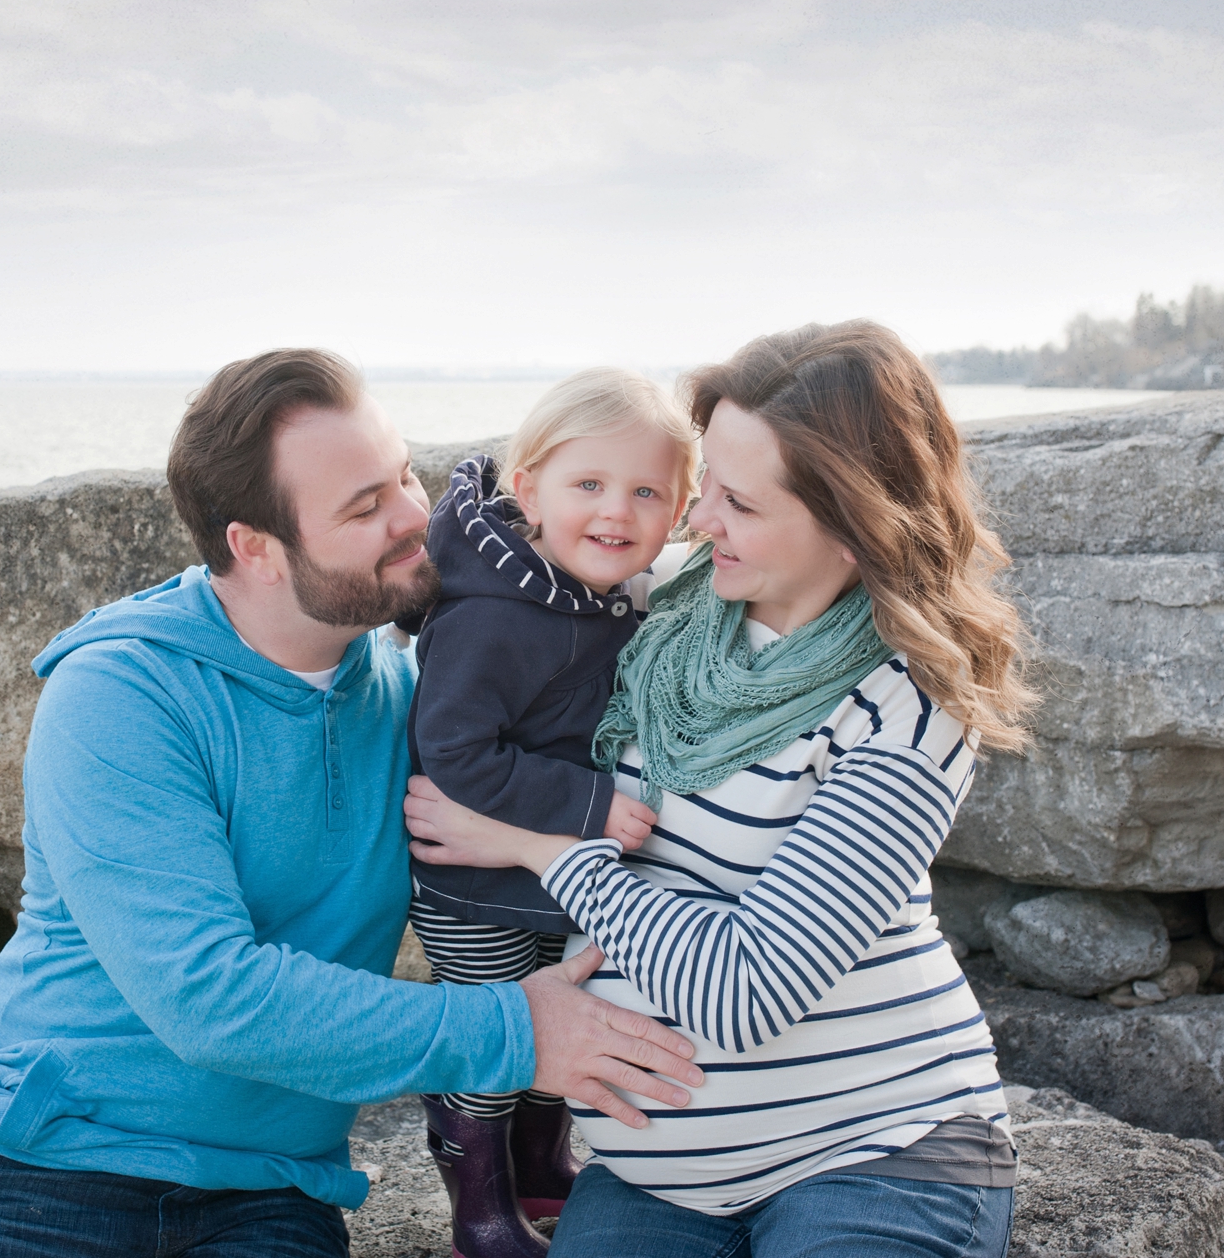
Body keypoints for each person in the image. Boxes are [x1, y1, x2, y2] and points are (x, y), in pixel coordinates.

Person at [0, 349, 702, 1258]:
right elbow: (209, 997)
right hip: (42, 1172)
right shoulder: (121, 694)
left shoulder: (412, 692)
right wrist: (517, 1029)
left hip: (267, 1191)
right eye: (364, 506)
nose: (413, 516)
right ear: (257, 548)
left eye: (403, 475)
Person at [404, 322, 1036, 1258]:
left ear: (854, 524)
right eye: (705, 490)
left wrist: (540, 848)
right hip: (656, 1177)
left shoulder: (909, 712)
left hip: (872, 1149)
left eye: (736, 502)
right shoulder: (666, 610)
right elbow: (496, 615)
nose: (697, 523)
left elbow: (745, 990)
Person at [401, 368, 697, 1256]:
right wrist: (591, 802)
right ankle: (479, 1204)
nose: (617, 511)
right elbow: (452, 753)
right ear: (527, 490)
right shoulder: (492, 614)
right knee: (498, 1037)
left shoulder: (603, 592)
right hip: (470, 883)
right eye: (589, 485)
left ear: (681, 512)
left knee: (558, 1019)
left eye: (647, 491)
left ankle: (540, 1163)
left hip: (550, 877)